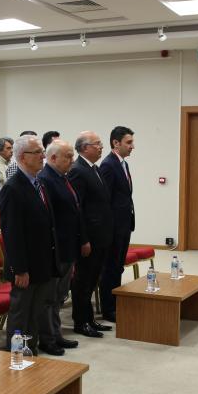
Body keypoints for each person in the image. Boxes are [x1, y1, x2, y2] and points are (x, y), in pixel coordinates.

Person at [0, 135, 61, 355]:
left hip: (42, 261)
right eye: (38, 152)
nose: (43, 156)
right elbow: (12, 233)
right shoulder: (13, 188)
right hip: (25, 266)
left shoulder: (39, 183)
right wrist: (20, 269)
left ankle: (31, 351)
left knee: (35, 312)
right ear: (23, 157)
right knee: (21, 313)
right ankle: (16, 355)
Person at [37, 140, 84, 351]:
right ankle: (47, 339)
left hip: (68, 246)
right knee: (49, 297)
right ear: (53, 158)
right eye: (68, 156)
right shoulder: (46, 179)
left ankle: (57, 334)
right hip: (56, 248)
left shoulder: (62, 177)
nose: (72, 160)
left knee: (59, 296)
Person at [68, 131, 113, 338]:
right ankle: (81, 321)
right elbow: (78, 209)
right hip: (89, 238)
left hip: (101, 235)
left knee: (93, 279)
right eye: (97, 144)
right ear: (85, 148)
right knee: (83, 281)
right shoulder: (78, 170)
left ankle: (90, 319)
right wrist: (83, 239)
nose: (101, 147)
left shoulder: (94, 168)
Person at [98, 126, 135, 323]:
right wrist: (109, 229)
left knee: (118, 266)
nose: (132, 146)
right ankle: (109, 308)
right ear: (116, 143)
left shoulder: (123, 164)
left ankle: (115, 302)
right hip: (113, 228)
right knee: (110, 268)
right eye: (128, 142)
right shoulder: (108, 165)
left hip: (124, 225)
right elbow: (105, 201)